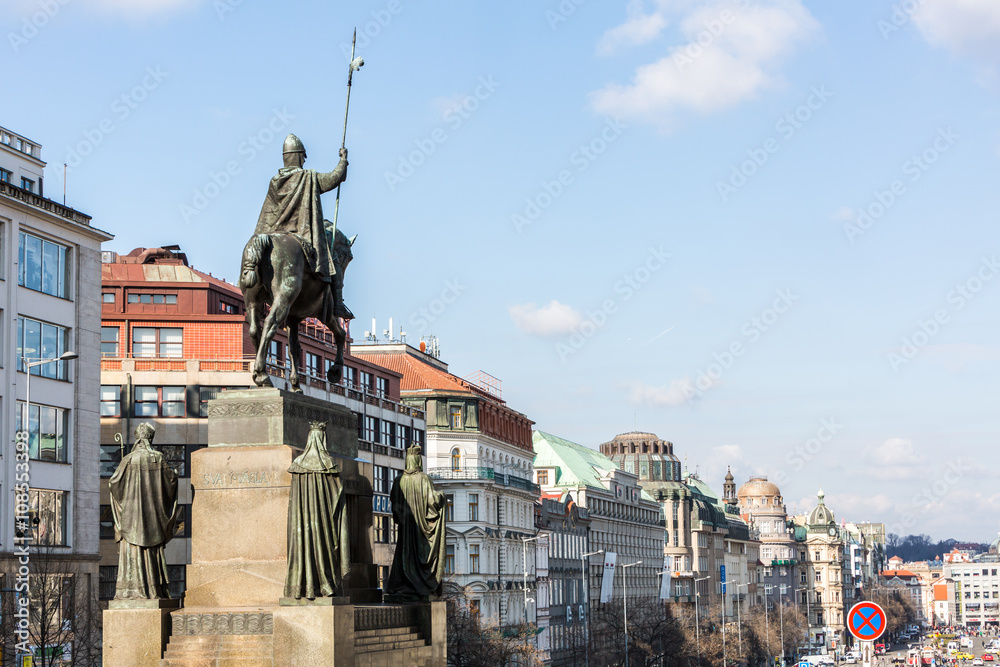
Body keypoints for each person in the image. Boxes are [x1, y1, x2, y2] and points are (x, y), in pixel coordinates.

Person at [254, 134, 352, 319]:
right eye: (303, 156)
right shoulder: (308, 177)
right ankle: (338, 304)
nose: (305, 160)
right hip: (302, 234)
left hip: (275, 232)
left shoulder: (275, 181)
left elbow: (268, 214)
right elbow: (334, 178)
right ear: (298, 156)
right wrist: (343, 160)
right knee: (333, 261)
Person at [109, 422, 178, 599]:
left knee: (133, 551)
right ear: (150, 438)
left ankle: (130, 590)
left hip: (131, 520)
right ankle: (153, 589)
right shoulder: (158, 458)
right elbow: (170, 483)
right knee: (151, 550)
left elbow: (113, 484)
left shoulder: (128, 459)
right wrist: (175, 475)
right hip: (152, 519)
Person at [385, 444, 446, 601]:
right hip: (420, 530)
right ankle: (420, 585)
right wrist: (442, 496)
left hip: (405, 529)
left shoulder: (399, 480)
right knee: (420, 556)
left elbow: (394, 505)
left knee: (404, 555)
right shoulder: (424, 479)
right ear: (418, 460)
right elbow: (433, 502)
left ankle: (404, 584)